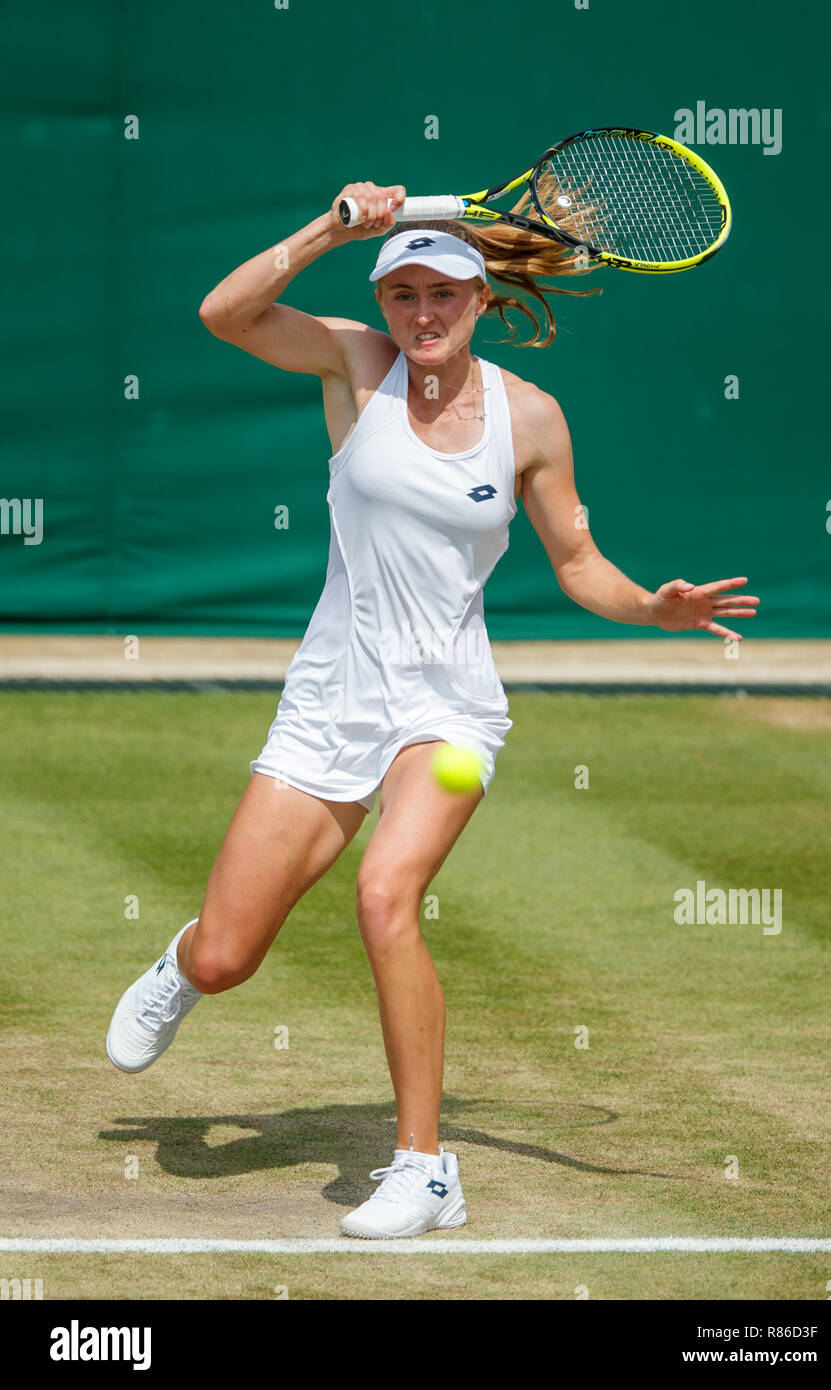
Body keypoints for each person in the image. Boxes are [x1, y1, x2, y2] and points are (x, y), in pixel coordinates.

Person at [106, 181, 759, 1239]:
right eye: (402, 293)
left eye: (442, 293)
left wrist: (651, 606)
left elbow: (578, 560)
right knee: (228, 957)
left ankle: (426, 1168)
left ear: (481, 294)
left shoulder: (530, 418)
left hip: (448, 713)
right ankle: (183, 962)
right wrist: (331, 227)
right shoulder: (353, 364)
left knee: (384, 896)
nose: (422, 314)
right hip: (330, 701)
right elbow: (222, 316)